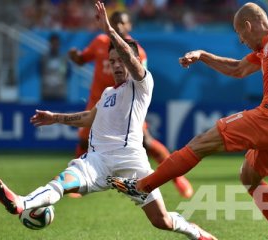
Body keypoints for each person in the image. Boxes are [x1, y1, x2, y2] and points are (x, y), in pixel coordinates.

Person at [106, 2, 268, 240]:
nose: (241, 41)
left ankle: (143, 186)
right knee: (249, 177)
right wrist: (204, 56)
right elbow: (238, 70)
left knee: (202, 141)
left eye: (240, 34)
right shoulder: (265, 49)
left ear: (248, 26)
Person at [0, 2, 216, 240]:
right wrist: (54, 117)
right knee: (61, 183)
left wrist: (109, 30)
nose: (115, 65)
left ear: (132, 60)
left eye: (120, 60)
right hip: (96, 161)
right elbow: (89, 117)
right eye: (112, 61)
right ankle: (21, 203)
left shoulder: (142, 84)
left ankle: (196, 232)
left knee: (162, 221)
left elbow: (130, 56)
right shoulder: (108, 93)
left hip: (131, 164)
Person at [69, 10, 193, 198]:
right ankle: (77, 183)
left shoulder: (137, 51)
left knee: (146, 141)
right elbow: (81, 59)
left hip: (127, 104)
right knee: (83, 142)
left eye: (123, 23)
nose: (119, 26)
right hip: (99, 101)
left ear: (129, 26)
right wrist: (75, 56)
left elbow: (141, 80)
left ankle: (178, 178)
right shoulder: (99, 43)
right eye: (115, 22)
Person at [41, 33, 69, 101]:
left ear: (59, 45)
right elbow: (40, 72)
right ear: (50, 44)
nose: (55, 46)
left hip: (60, 93)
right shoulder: (44, 58)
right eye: (53, 43)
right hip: (47, 93)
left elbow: (66, 73)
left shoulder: (63, 59)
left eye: (56, 44)